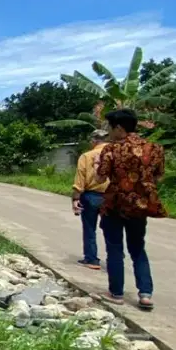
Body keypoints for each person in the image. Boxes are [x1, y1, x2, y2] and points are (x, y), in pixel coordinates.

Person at [95, 108, 166, 311]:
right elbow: (159, 177)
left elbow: (100, 178)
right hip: (140, 207)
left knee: (115, 249)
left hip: (115, 205)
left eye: (109, 127)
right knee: (138, 249)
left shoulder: (111, 150)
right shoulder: (154, 149)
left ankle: (116, 293)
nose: (108, 131)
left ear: (119, 128)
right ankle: (145, 294)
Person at [71, 129, 110, 269]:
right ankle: (115, 259)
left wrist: (75, 199)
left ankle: (92, 259)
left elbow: (79, 180)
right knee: (111, 229)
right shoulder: (116, 155)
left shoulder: (87, 156)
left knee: (89, 228)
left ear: (93, 141)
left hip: (91, 195)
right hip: (112, 196)